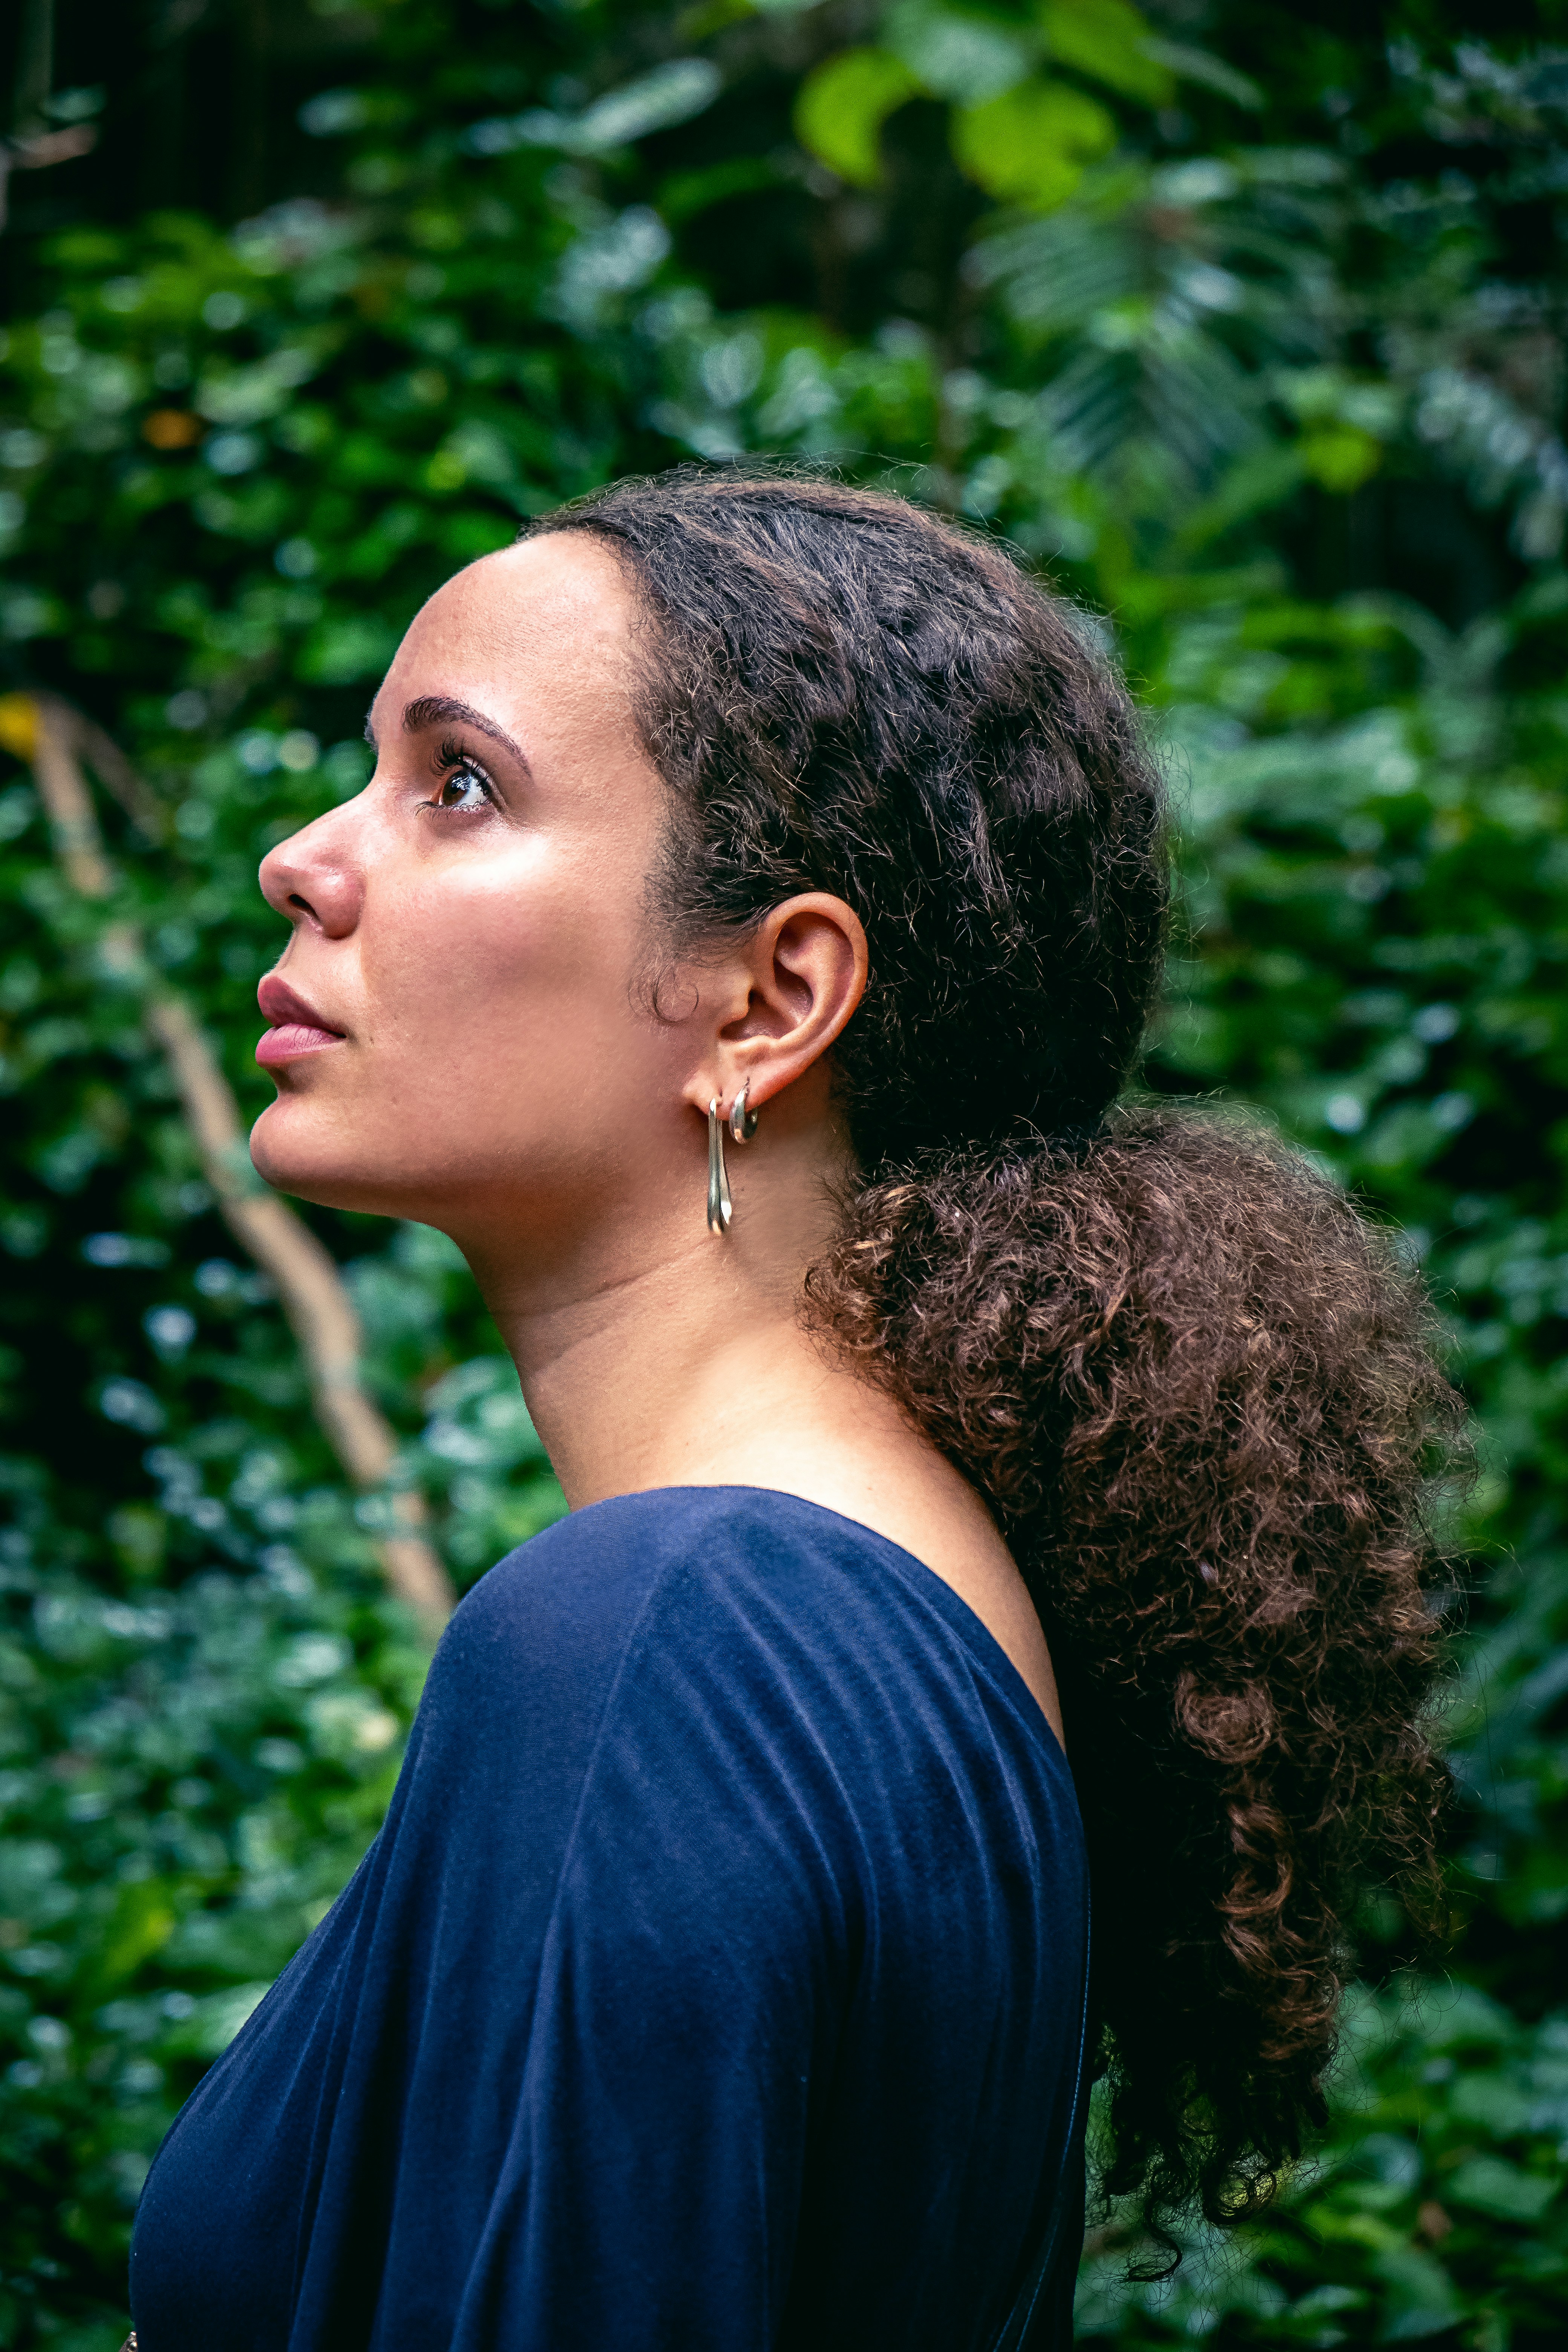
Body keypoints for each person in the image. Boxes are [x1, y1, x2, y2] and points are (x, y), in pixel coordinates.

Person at [126, 470, 1455, 2350]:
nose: (303, 860)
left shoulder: (680, 1639)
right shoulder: (866, 1620)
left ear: (768, 1001)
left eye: (460, 785)